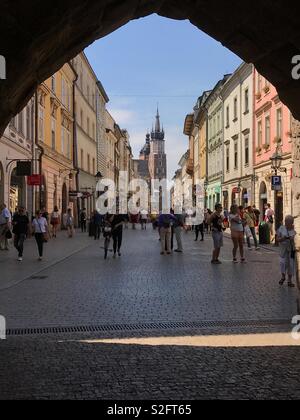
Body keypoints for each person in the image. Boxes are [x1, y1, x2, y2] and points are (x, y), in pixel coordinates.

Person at [278, 215, 296, 288]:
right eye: (285, 221)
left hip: (291, 249)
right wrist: (283, 238)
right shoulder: (281, 228)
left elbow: (295, 241)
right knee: (282, 263)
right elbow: (277, 239)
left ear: (291, 222)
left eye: (287, 221)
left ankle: (289, 281)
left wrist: (292, 239)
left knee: (291, 264)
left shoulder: (293, 230)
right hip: (283, 249)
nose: (285, 222)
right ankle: (283, 277)